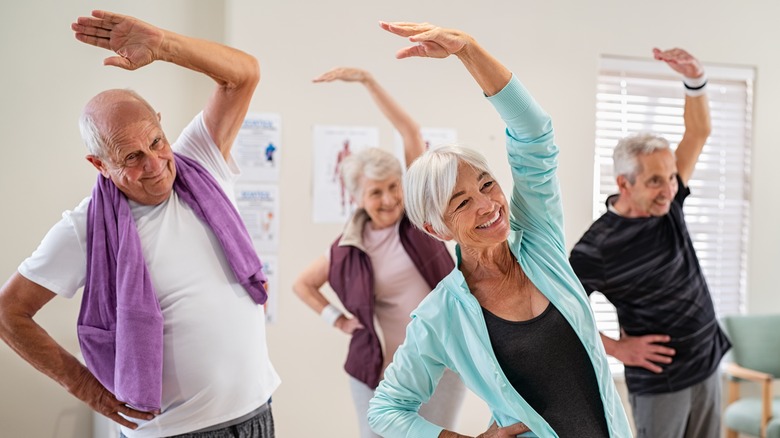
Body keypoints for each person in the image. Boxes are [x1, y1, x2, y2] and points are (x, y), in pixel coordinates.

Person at [0, 10, 279, 438]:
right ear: (100, 164)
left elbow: (244, 74)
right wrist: (85, 388)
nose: (156, 166)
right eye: (132, 158)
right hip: (176, 432)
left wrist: (164, 45)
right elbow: (8, 313)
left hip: (256, 413)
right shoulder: (85, 228)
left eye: (156, 142)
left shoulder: (199, 162)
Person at [368, 22, 632, 438]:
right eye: (461, 202)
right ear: (436, 229)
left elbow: (534, 134)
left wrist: (467, 50)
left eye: (487, 184)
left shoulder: (539, 241)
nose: (487, 205)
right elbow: (386, 409)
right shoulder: (442, 314)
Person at [294, 66, 466, 438]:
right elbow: (303, 285)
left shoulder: (419, 219)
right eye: (375, 192)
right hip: (378, 371)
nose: (388, 199)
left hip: (442, 363)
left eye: (394, 187)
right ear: (356, 197)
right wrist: (336, 320)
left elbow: (410, 133)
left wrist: (368, 82)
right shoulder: (347, 247)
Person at [569, 48, 730, 438]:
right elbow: (560, 313)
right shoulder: (596, 248)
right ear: (623, 183)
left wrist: (695, 79)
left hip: (708, 364)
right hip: (661, 385)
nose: (669, 189)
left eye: (671, 177)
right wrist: (618, 349)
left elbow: (698, 132)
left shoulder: (669, 204)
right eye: (656, 180)